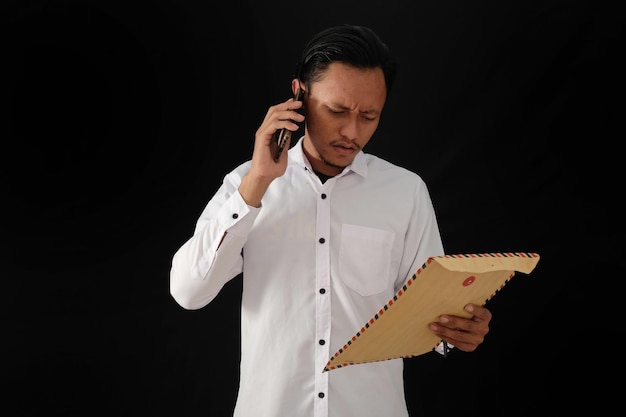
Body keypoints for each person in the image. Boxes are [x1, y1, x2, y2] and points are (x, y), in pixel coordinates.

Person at [170, 24, 492, 417]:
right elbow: (188, 292)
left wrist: (457, 330)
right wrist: (256, 185)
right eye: (337, 111)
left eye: (369, 116)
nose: (352, 132)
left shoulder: (406, 192)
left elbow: (428, 309)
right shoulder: (246, 184)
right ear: (298, 97)